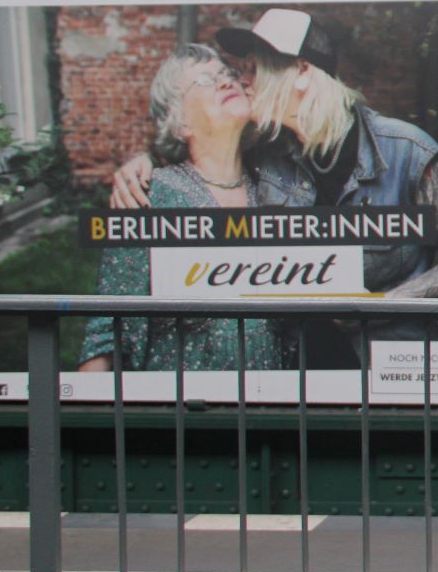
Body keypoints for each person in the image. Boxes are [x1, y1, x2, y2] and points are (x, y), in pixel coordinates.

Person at [109, 8, 438, 368]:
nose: (243, 81)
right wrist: (141, 161)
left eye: (256, 69)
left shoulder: (406, 151)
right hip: (301, 380)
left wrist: (387, 303)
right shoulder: (268, 152)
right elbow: (201, 145)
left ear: (303, 72)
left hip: (397, 369)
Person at [79, 43, 290, 373]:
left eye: (226, 74)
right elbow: (107, 334)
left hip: (273, 408)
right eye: (205, 80)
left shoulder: (277, 189)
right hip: (183, 411)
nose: (225, 82)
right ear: (181, 125)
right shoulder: (151, 197)